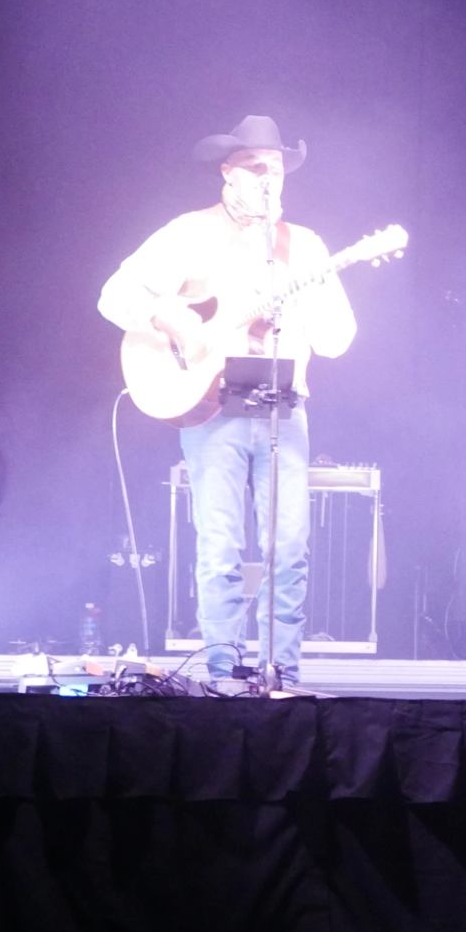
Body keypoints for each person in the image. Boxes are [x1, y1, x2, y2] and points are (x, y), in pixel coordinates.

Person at [98, 115, 356, 688]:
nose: (269, 179)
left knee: (289, 546)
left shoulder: (305, 246)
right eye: (257, 167)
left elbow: (340, 341)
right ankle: (222, 668)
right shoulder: (189, 232)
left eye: (278, 169)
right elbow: (115, 295)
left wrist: (310, 300)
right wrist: (179, 323)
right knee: (220, 546)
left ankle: (281, 671)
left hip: (283, 407)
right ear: (229, 171)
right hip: (213, 404)